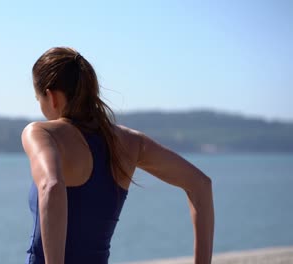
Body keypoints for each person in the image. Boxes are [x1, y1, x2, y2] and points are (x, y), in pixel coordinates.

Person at [21, 47, 214, 264]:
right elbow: (201, 184)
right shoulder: (131, 142)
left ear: (51, 96)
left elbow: (52, 186)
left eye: (38, 98)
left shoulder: (41, 133)